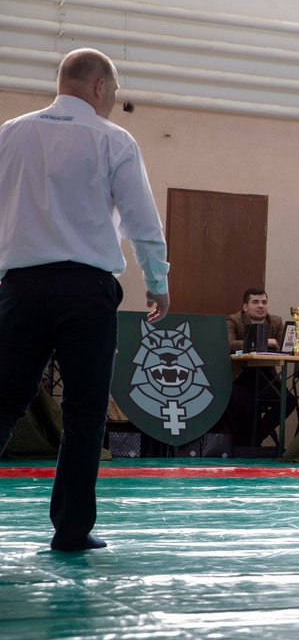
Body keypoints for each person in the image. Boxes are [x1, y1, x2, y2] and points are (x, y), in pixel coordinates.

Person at [0, 48, 170, 551]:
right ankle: (71, 529)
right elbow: (143, 223)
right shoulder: (112, 138)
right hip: (85, 293)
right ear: (99, 87)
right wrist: (157, 281)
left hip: (19, 289)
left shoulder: (9, 134)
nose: (114, 101)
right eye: (114, 92)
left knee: (3, 402)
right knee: (84, 410)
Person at [225, 288, 295, 446]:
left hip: (266, 376)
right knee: (246, 404)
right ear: (245, 307)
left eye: (264, 302)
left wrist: (278, 345)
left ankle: (255, 439)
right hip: (240, 377)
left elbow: (285, 346)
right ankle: (244, 443)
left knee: (289, 401)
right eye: (255, 302)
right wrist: (262, 342)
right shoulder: (233, 320)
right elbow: (229, 344)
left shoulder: (275, 321)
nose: (260, 306)